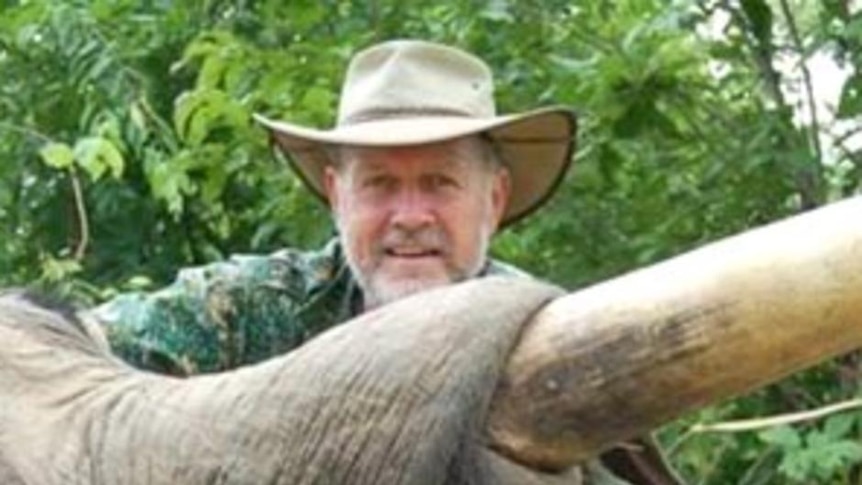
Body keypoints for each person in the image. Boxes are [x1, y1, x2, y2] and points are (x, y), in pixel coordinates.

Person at [90, 39, 681, 484]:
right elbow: (66, 371)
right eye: (378, 185)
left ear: (494, 199)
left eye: (440, 183)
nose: (409, 214)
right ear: (336, 195)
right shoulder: (244, 310)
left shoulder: (553, 344)